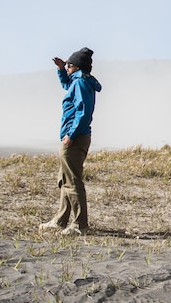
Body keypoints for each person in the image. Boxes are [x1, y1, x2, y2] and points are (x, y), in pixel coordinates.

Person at [39, 47, 102, 235]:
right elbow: (67, 85)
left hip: (75, 138)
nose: (67, 67)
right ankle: (61, 220)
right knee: (65, 179)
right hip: (74, 136)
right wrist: (60, 69)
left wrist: (71, 135)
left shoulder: (81, 83)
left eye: (68, 65)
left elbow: (83, 112)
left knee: (73, 181)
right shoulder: (77, 81)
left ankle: (79, 225)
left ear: (76, 66)